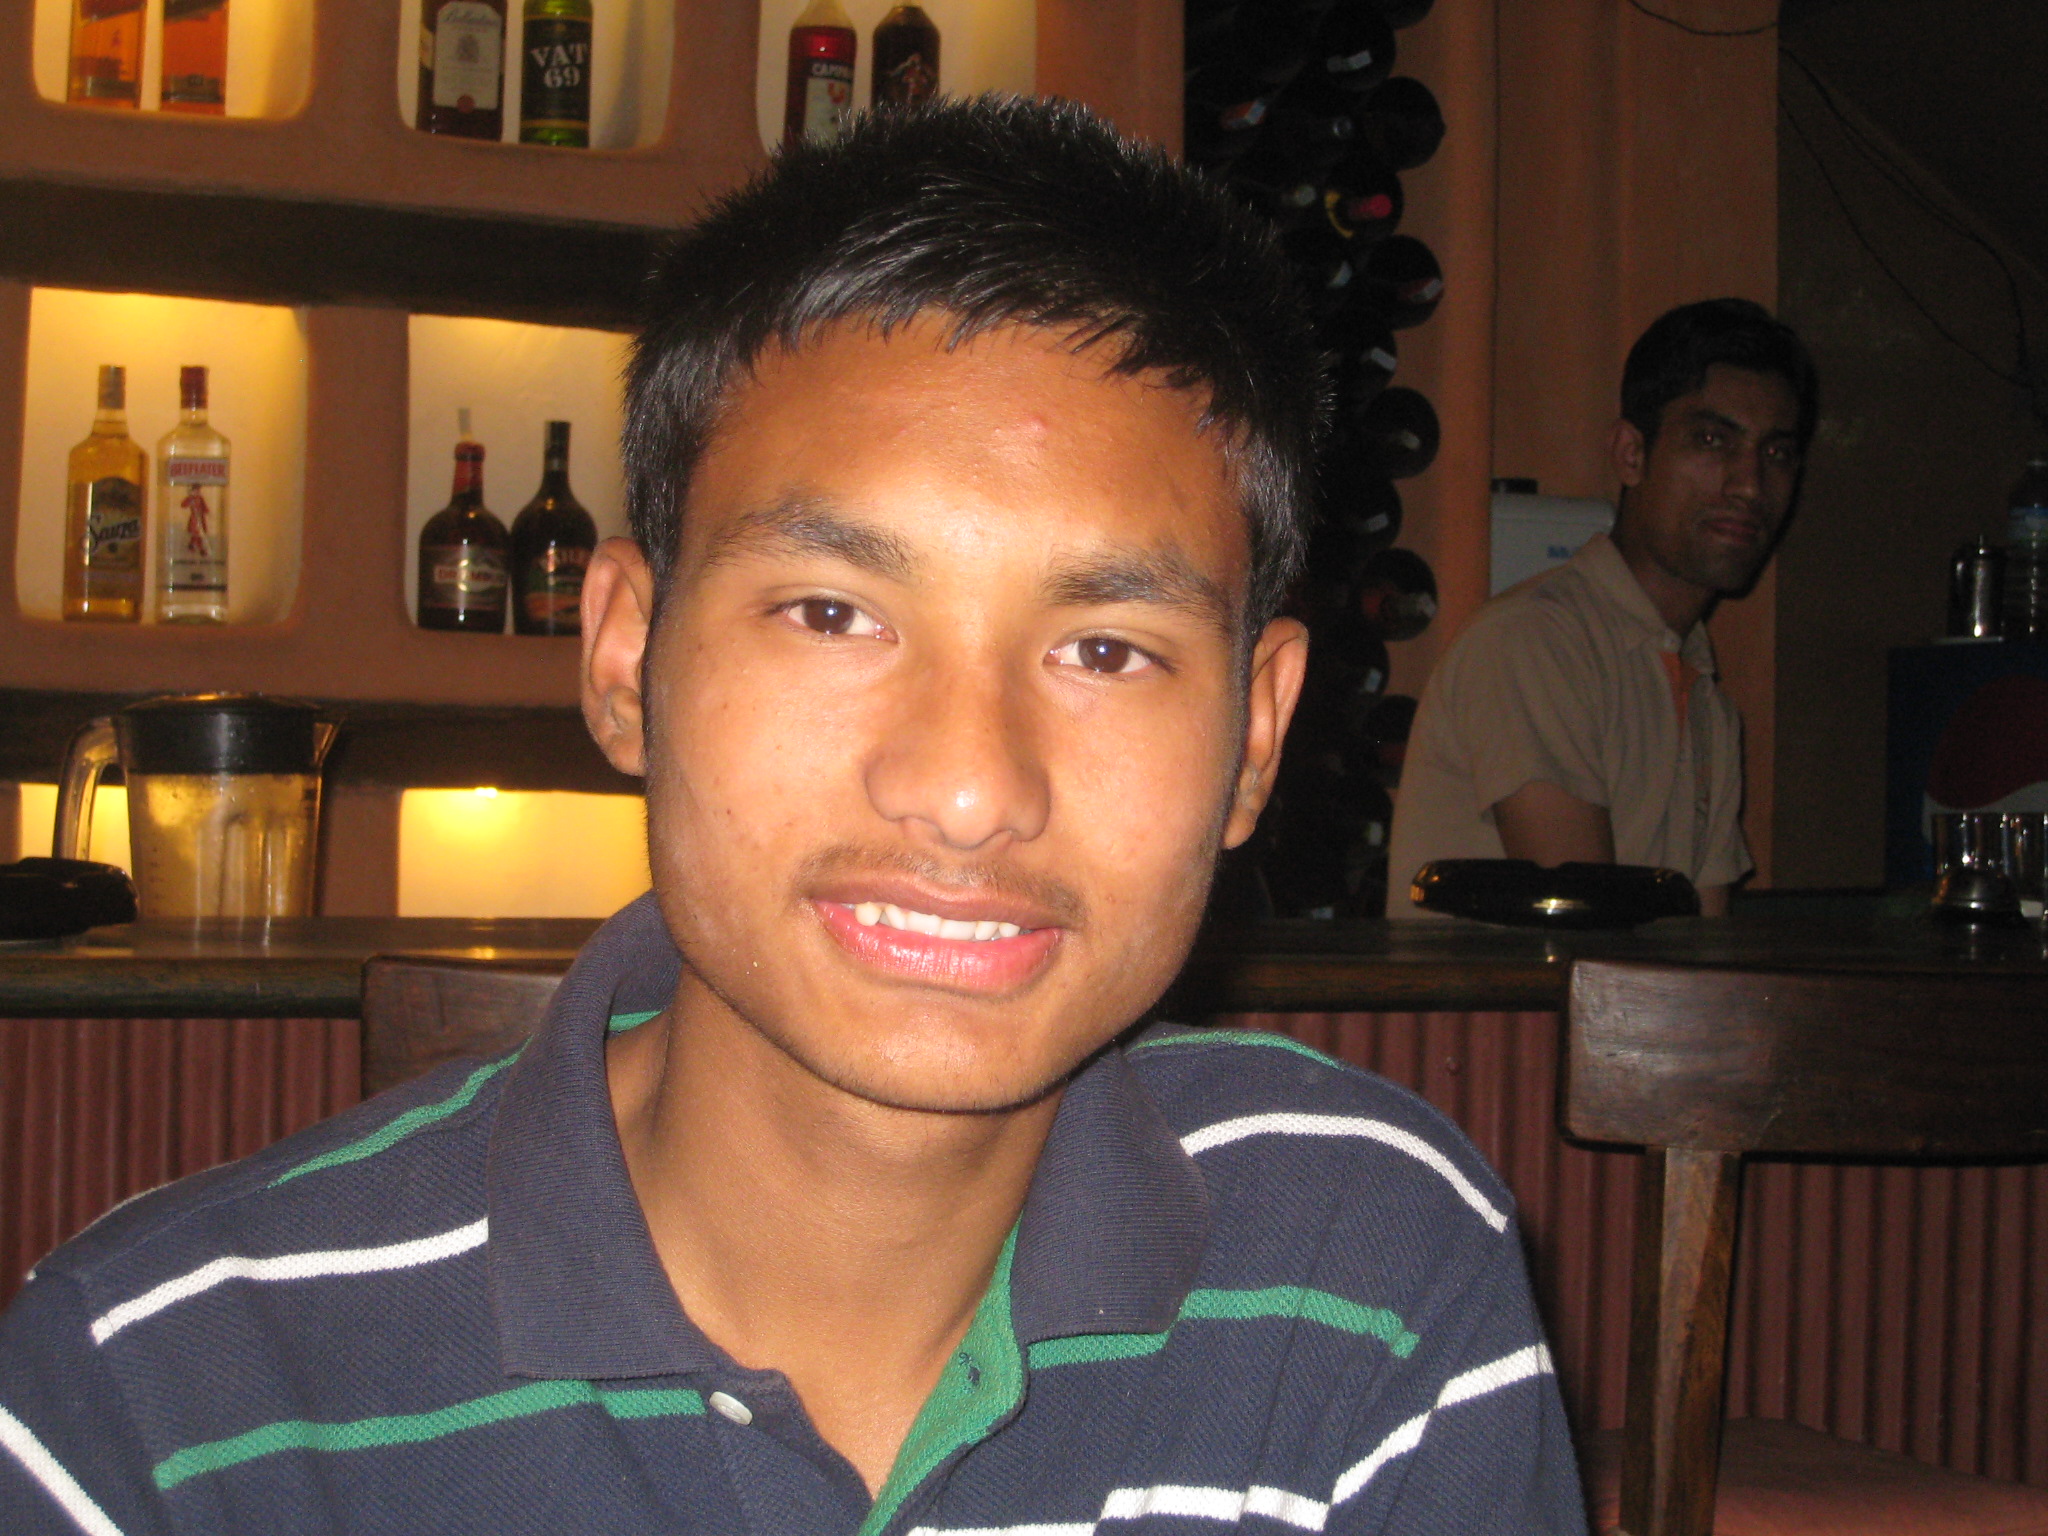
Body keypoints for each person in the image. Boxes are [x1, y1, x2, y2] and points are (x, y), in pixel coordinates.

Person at [0, 99, 1583, 1534]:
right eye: (832, 613)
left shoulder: (1367, 1274)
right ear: (625, 658)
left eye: (1106, 650)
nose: (968, 788)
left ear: (1255, 737)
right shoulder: (160, 1403)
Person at [1387, 298, 1817, 919]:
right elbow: (1581, 924)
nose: (1749, 483)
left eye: (1776, 454)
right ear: (1630, 454)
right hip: (1537, 988)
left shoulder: (1701, 689)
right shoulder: (1536, 642)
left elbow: (1702, 942)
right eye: (1711, 440)